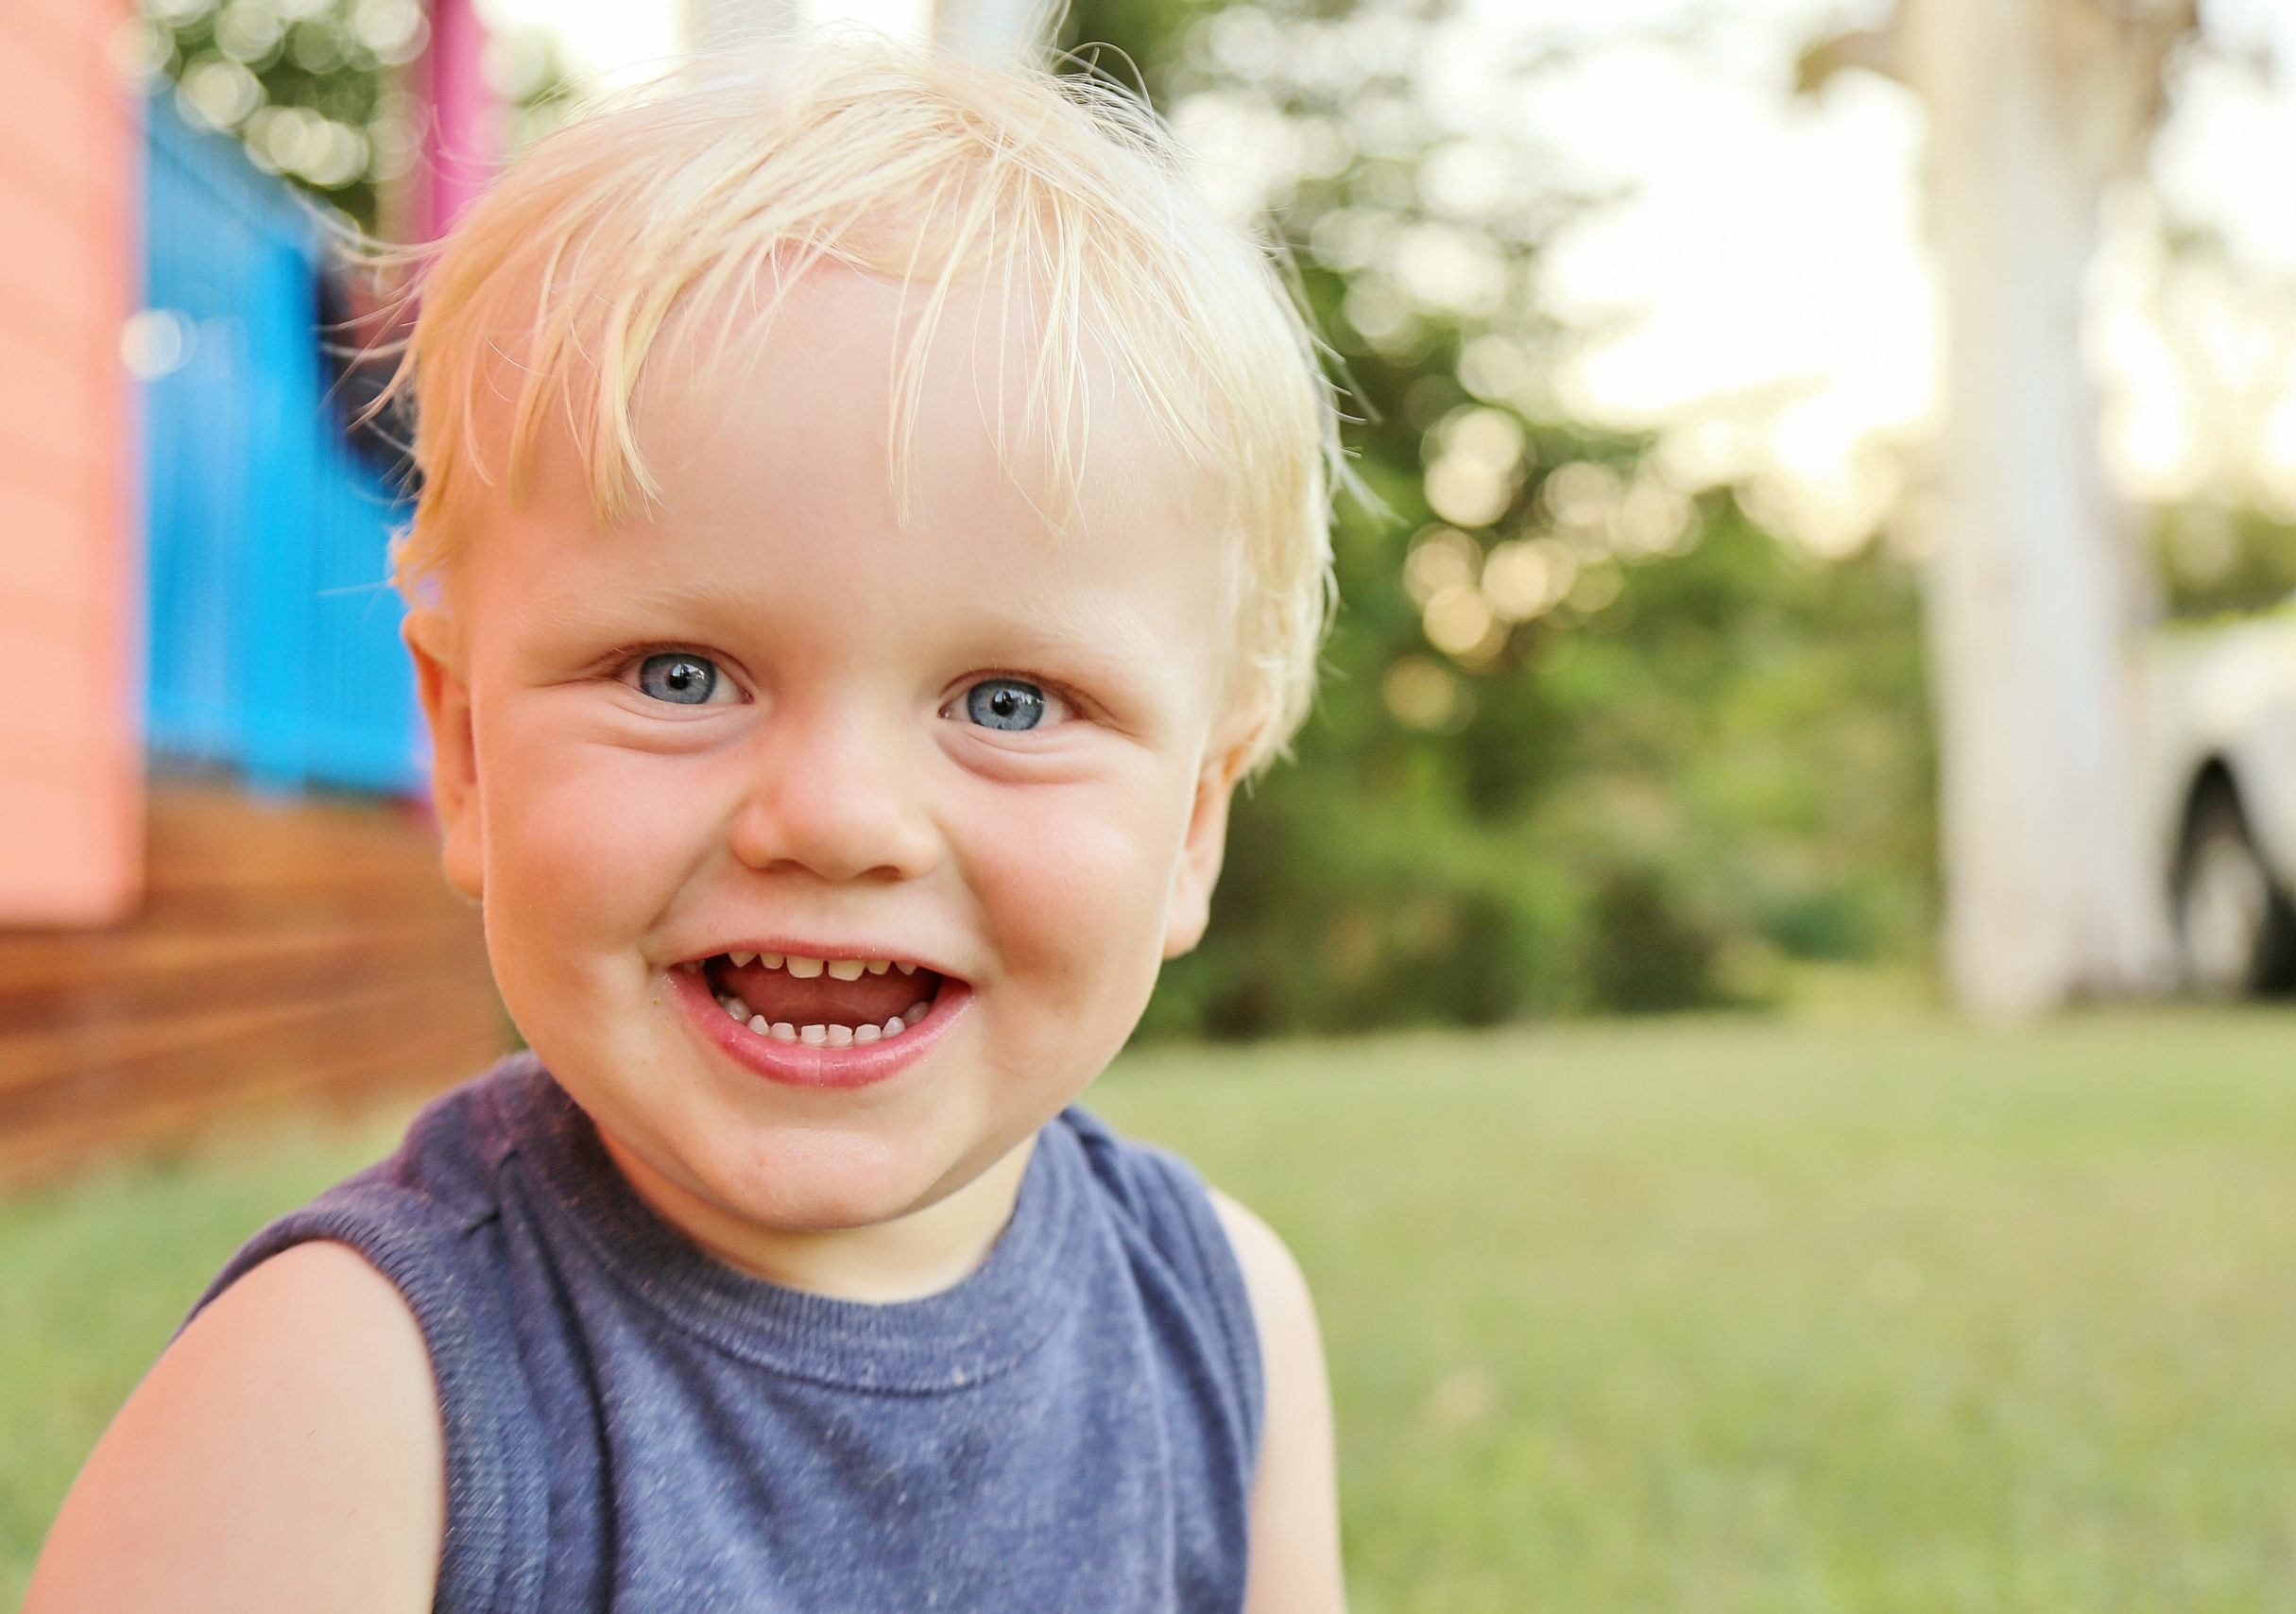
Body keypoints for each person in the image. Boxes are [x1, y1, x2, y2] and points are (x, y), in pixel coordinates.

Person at [27, 35, 1345, 1614]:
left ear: (1195, 822)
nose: (841, 819)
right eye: (679, 672)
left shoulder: (1221, 1324)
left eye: (1007, 703)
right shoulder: (346, 1398)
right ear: (461, 752)